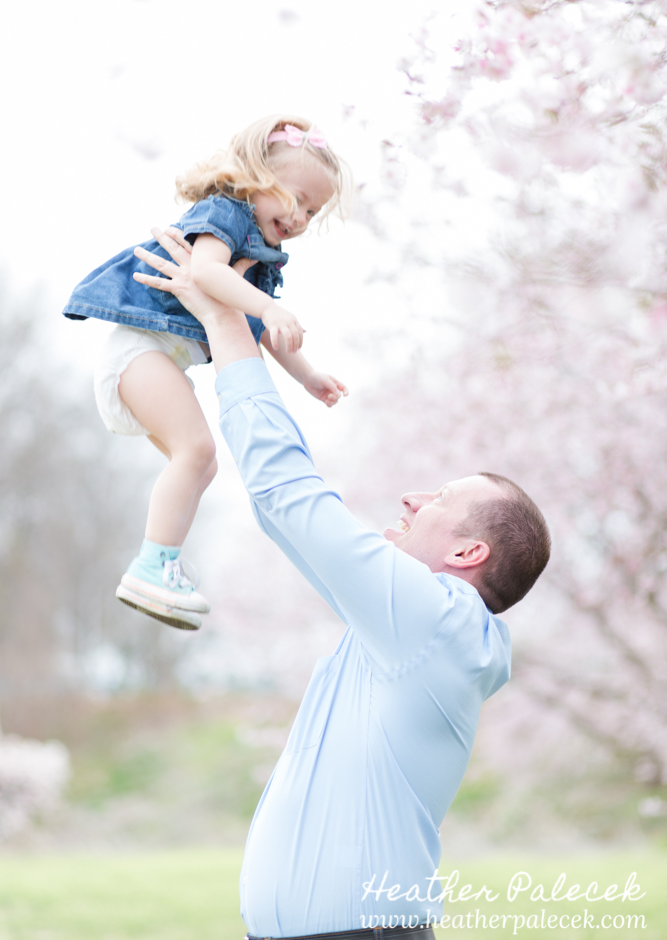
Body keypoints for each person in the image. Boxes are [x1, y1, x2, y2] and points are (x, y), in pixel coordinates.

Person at [133, 228, 551, 940]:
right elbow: (290, 514)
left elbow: (287, 493)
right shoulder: (412, 632)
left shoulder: (435, 620)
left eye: (441, 498)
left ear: (469, 550)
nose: (415, 500)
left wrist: (227, 322)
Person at [62, 116, 350, 631]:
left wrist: (306, 375)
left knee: (202, 463)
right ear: (256, 176)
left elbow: (256, 323)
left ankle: (162, 560)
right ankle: (152, 566)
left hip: (158, 360)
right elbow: (205, 273)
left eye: (314, 209)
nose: (302, 216)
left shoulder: (261, 251)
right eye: (297, 197)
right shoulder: (226, 213)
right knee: (196, 451)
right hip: (138, 351)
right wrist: (270, 306)